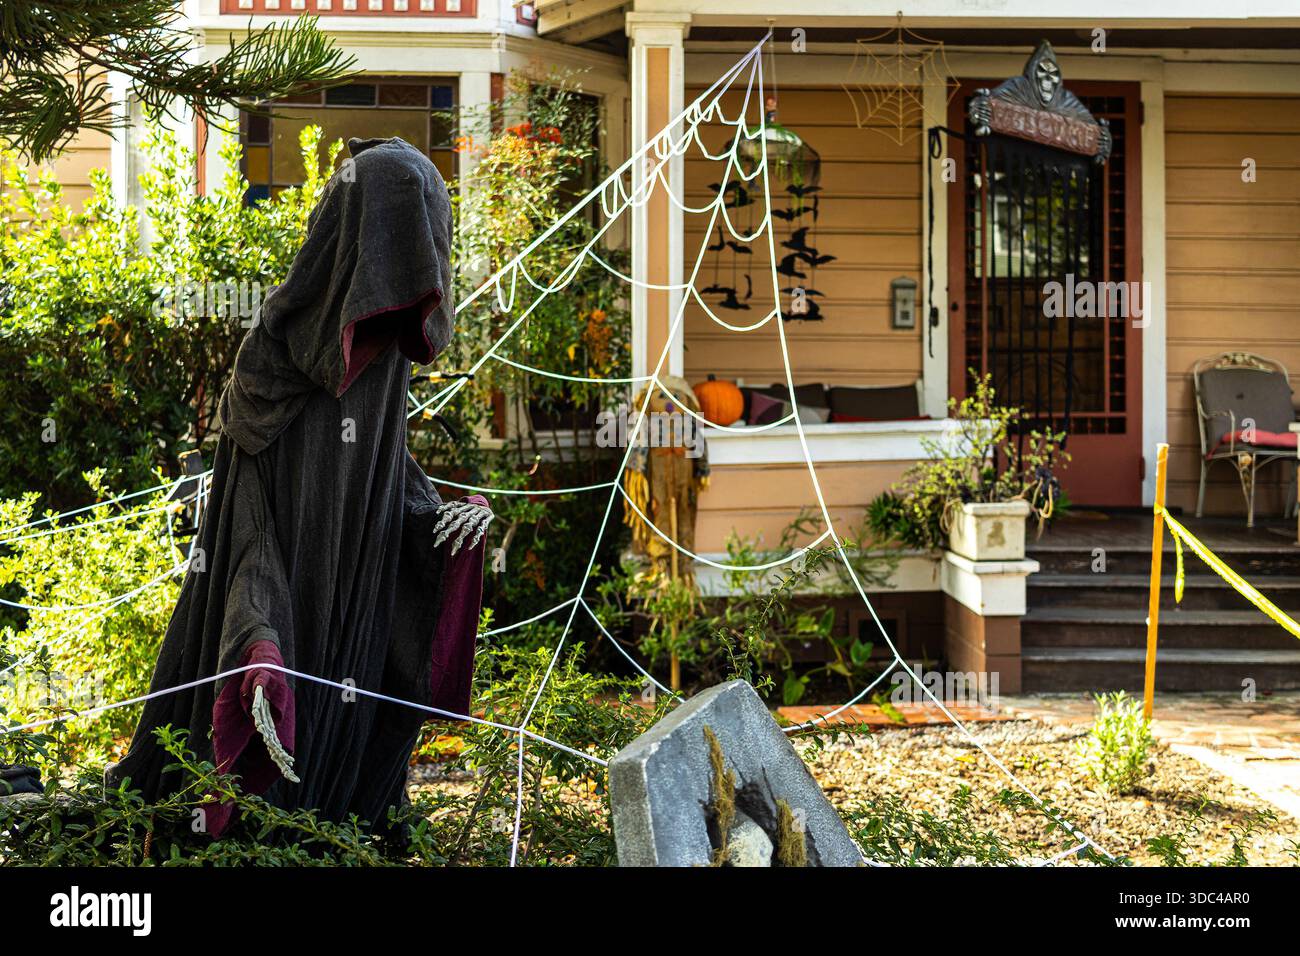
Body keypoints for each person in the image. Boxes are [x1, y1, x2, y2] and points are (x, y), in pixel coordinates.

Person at [107, 137, 491, 839]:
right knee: (261, 820)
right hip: (285, 617)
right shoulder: (273, 356)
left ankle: (336, 822)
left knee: (336, 815)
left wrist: (444, 521)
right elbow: (245, 527)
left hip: (354, 630)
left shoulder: (384, 361)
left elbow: (388, 484)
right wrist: (257, 641)